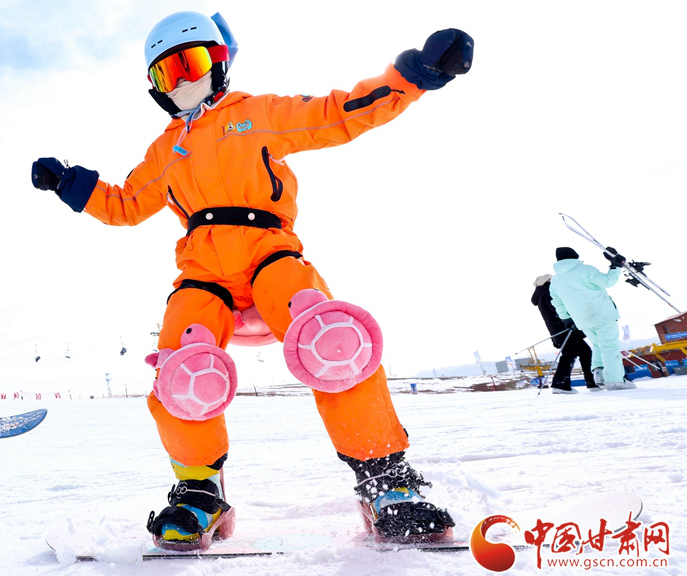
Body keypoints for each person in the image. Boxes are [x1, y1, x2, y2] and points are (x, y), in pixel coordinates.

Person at [30, 11, 473, 548]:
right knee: (181, 369)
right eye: (167, 76)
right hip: (203, 272)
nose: (183, 82)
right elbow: (125, 205)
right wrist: (69, 184)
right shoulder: (164, 151)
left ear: (219, 63)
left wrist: (414, 76)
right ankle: (199, 493)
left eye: (190, 63)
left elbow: (338, 114)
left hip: (270, 253)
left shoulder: (256, 114)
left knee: (333, 340)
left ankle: (386, 482)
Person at [550, 247, 634, 390]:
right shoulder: (585, 269)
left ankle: (599, 374)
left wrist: (566, 319)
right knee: (610, 347)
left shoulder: (556, 280)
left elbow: (557, 301)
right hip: (602, 314)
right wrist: (615, 266)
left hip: (582, 319)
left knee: (597, 345)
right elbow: (608, 282)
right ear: (575, 257)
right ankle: (616, 381)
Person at [531, 274, 600, 393]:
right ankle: (560, 384)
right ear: (546, 281)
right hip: (566, 329)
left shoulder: (543, 294)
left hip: (563, 330)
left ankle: (591, 382)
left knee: (584, 353)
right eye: (551, 279)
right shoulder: (548, 293)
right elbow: (558, 310)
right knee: (571, 355)